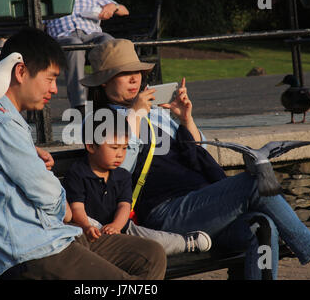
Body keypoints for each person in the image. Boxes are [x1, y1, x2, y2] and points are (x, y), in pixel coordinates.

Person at [79, 38, 310, 280]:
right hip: (165, 214)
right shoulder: (101, 121)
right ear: (104, 80)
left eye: (136, 71)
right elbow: (115, 178)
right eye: (124, 73)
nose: (134, 78)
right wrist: (134, 117)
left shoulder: (156, 113)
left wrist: (186, 120)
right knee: (255, 182)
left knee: (263, 226)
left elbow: (199, 156)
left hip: (203, 208)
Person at [0, 27, 166, 280]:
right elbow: (44, 192)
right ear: (21, 71)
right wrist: (71, 213)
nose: (55, 89)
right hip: (28, 253)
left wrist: (30, 152)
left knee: (152, 254)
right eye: (50, 78)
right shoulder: (0, 122)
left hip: (53, 237)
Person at [64, 109, 212, 255]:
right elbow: (77, 207)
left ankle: (185, 243)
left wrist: (116, 225)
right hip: (89, 229)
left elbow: (124, 205)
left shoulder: (122, 175)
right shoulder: (78, 173)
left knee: (154, 241)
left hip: (121, 227)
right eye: (114, 148)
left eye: (124, 147)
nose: (120, 154)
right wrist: (86, 226)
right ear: (91, 146)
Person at [44, 0, 129, 115]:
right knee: (74, 44)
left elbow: (124, 10)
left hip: (92, 35)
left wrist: (113, 7)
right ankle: (80, 106)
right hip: (63, 37)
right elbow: (39, 22)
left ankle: (113, 100)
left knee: (109, 42)